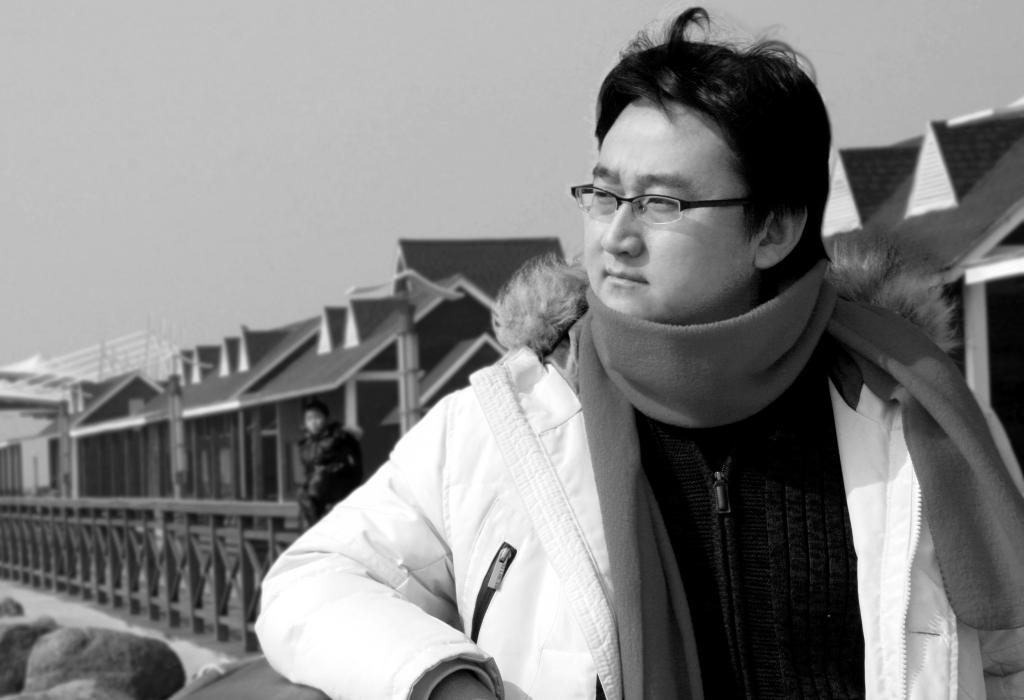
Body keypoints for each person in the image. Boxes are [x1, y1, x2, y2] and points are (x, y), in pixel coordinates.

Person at [256, 8, 1024, 699]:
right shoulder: (502, 429)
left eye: (662, 202)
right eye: (603, 194)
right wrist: (441, 679)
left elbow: (1007, 660)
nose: (615, 236)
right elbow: (312, 582)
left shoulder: (917, 417)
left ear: (774, 229)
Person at [295, 397, 362, 529]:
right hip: (315, 497)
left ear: (326, 418)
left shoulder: (339, 436)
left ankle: (316, 527)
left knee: (320, 477)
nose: (313, 422)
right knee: (302, 493)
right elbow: (307, 472)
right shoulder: (305, 445)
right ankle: (314, 528)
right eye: (309, 419)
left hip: (337, 490)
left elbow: (356, 464)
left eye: (317, 417)